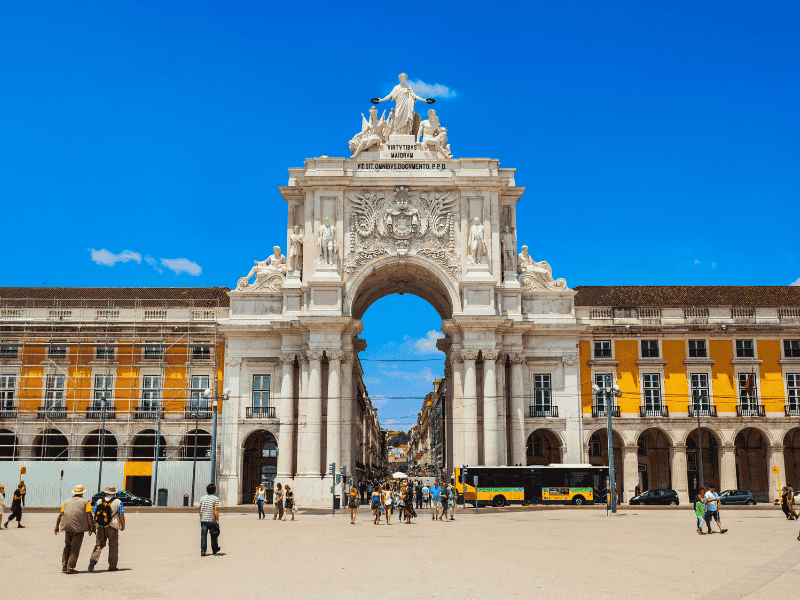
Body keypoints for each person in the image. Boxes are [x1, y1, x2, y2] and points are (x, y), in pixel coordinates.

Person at [55, 485, 95, 574]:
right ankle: (70, 568)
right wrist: (91, 526)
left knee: (67, 545)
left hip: (66, 526)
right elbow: (89, 514)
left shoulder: (66, 501)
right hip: (79, 528)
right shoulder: (86, 502)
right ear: (82, 493)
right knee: (75, 547)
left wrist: (56, 526)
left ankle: (64, 566)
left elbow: (61, 514)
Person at [89, 485, 125, 572]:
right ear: (114, 492)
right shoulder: (118, 502)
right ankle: (112, 566)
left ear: (106, 492)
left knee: (99, 545)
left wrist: (95, 525)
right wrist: (123, 525)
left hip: (101, 526)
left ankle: (93, 560)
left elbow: (94, 513)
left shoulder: (99, 501)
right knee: (113, 546)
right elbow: (121, 515)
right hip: (113, 527)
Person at [198, 483, 221, 556]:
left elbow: (199, 508)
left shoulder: (202, 498)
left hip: (204, 520)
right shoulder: (216, 499)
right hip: (212, 519)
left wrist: (201, 516)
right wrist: (217, 520)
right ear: (214, 491)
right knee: (213, 535)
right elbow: (216, 510)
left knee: (203, 536)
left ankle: (203, 551)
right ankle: (214, 550)